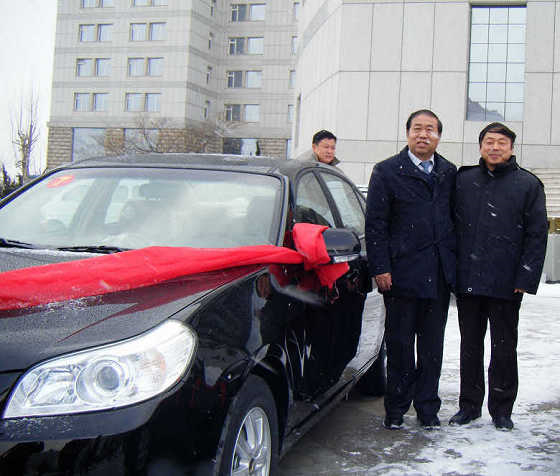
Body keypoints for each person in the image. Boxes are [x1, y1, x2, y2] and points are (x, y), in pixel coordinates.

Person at [450, 122, 548, 431]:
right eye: (489, 142)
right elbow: (451, 227)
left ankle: (502, 409)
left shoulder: (528, 184)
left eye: (501, 143)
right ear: (480, 147)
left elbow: (536, 235)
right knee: (469, 346)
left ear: (512, 148)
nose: (494, 147)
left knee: (504, 348)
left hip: (507, 283)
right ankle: (469, 406)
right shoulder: (463, 180)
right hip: (468, 280)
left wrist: (525, 278)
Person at [365, 109, 457, 430]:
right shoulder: (387, 171)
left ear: (438, 136)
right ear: (407, 133)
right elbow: (375, 224)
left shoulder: (448, 172)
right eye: (417, 128)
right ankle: (396, 408)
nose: (423, 134)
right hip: (401, 275)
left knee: (432, 348)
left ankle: (428, 408)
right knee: (400, 346)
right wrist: (381, 266)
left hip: (438, 276)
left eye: (430, 129)